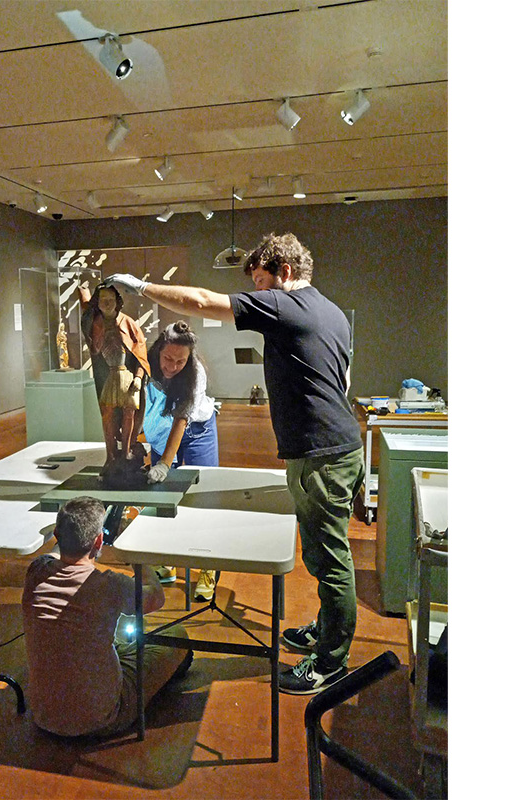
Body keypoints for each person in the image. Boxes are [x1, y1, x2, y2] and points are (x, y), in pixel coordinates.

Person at [102, 232, 364, 696]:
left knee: (330, 558)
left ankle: (330, 660)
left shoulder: (287, 306)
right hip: (335, 448)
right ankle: (326, 629)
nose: (258, 294)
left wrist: (141, 288)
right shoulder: (333, 312)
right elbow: (343, 379)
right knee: (322, 552)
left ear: (283, 273)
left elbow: (203, 300)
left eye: (261, 282)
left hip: (321, 456)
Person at [22, 496, 193, 737]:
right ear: (99, 541)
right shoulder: (110, 585)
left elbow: (57, 551)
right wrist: (136, 554)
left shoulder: (36, 571)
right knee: (176, 636)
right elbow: (156, 597)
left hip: (44, 716)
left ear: (58, 536)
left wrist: (70, 532)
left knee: (114, 628)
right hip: (103, 719)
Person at [141, 321, 221, 602]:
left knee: (203, 496)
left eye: (180, 361)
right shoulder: (146, 362)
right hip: (164, 427)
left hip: (198, 429)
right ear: (159, 350)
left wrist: (164, 462)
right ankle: (168, 558)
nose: (172, 366)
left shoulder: (195, 373)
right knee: (162, 497)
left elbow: (182, 419)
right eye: (168, 359)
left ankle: (208, 568)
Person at [79, 282, 151, 469]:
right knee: (108, 414)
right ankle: (110, 455)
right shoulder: (95, 323)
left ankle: (127, 450)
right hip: (109, 376)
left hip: (127, 377)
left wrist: (138, 376)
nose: (107, 303)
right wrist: (83, 291)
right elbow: (86, 311)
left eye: (111, 300)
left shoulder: (129, 323)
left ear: (117, 302)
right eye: (103, 300)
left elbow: (141, 354)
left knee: (129, 413)